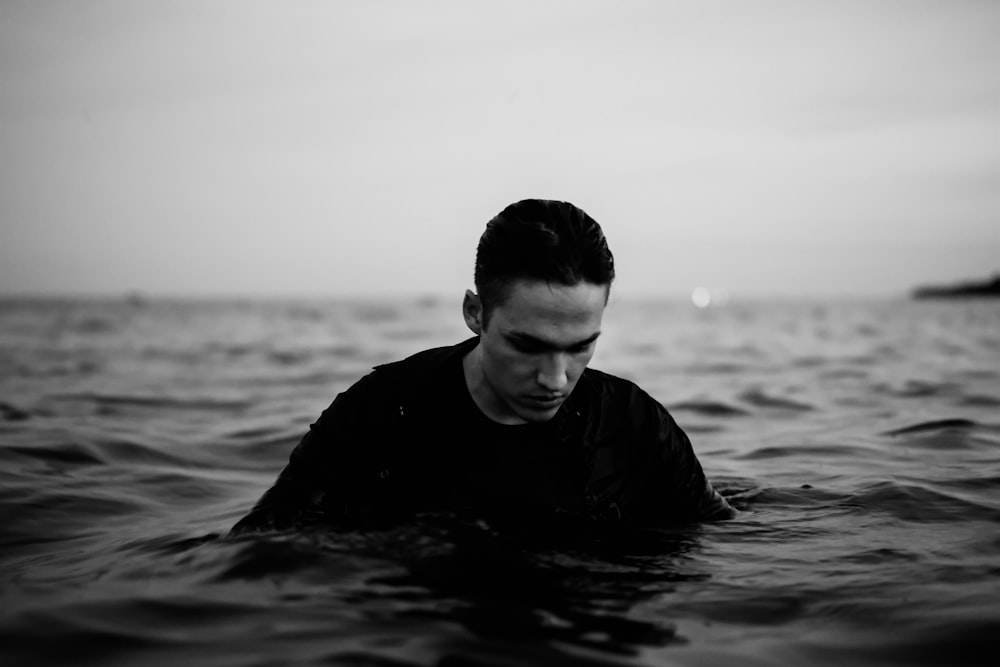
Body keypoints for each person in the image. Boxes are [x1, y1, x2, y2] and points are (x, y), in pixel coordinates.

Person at [231, 199, 734, 534]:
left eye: (581, 346)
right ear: (475, 313)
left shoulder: (634, 425)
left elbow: (724, 536)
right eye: (527, 346)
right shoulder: (384, 411)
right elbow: (267, 541)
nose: (556, 379)